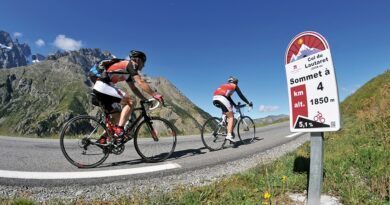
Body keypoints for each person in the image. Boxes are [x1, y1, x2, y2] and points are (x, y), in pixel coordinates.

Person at [91, 50, 163, 143]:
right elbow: (140, 82)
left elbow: (134, 88)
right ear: (138, 60)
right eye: (143, 62)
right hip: (103, 87)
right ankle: (120, 129)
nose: (144, 65)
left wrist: (145, 99)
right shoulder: (130, 65)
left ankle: (103, 139)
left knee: (117, 116)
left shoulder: (128, 73)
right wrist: (155, 94)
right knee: (131, 101)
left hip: (102, 89)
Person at [212, 76, 253, 142]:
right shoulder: (234, 86)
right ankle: (229, 135)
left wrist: (234, 105)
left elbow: (228, 98)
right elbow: (241, 96)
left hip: (214, 98)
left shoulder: (225, 86)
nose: (237, 84)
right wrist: (248, 103)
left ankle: (221, 124)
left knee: (226, 113)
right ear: (235, 82)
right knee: (231, 116)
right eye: (236, 83)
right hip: (222, 98)